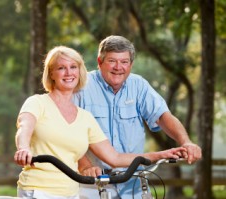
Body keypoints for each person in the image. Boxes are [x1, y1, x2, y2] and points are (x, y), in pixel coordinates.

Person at [14, 45, 187, 199]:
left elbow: (115, 157)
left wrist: (161, 154)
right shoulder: (37, 102)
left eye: (73, 67)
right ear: (51, 73)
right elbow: (25, 127)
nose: (68, 73)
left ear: (80, 71)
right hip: (38, 190)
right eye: (61, 68)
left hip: (70, 192)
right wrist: (23, 148)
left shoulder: (84, 117)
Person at [73, 35, 202, 199]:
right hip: (93, 182)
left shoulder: (139, 85)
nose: (118, 67)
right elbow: (70, 132)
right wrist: (85, 166)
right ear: (100, 62)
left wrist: (186, 142)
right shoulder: (82, 87)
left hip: (134, 182)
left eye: (124, 62)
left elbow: (163, 116)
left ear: (131, 64)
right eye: (112, 61)